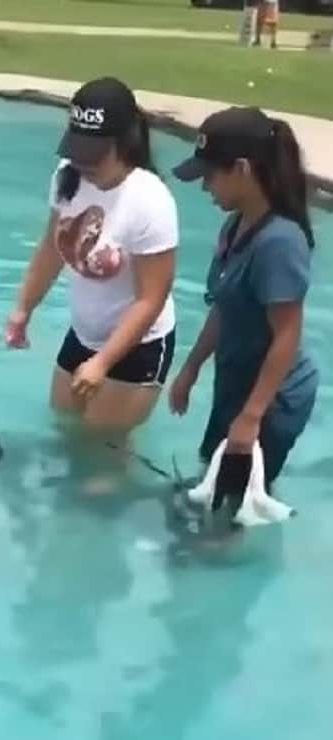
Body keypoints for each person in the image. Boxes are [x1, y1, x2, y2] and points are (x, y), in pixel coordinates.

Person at [5, 78, 178, 434]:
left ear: (125, 142)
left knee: (102, 460)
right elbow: (50, 248)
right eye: (77, 150)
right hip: (83, 334)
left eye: (94, 154)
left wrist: (102, 362)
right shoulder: (67, 178)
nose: (83, 163)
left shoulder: (150, 200)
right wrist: (23, 309)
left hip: (138, 346)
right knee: (64, 430)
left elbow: (151, 300)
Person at [169, 107, 318, 490]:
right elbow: (224, 305)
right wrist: (190, 369)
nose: (205, 188)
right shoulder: (235, 225)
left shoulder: (280, 242)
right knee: (209, 484)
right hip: (236, 382)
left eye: (210, 176)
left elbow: (287, 335)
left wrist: (252, 416)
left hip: (271, 398)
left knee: (229, 512)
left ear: (242, 169)